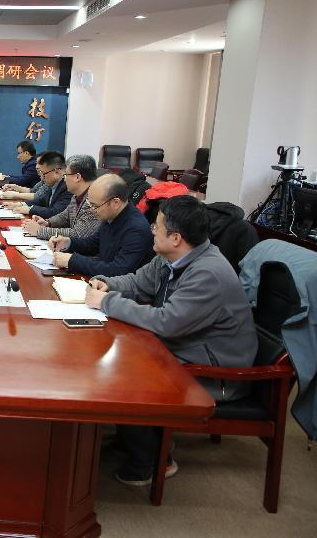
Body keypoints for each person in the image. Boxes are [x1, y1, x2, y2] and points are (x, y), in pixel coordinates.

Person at [85, 196, 258, 485]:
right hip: (185, 348)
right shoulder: (172, 257)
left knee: (125, 370)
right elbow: (137, 282)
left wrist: (107, 302)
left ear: (176, 238)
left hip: (215, 372)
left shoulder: (207, 273)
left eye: (157, 226)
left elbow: (166, 323)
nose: (151, 229)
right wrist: (107, 284)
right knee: (117, 352)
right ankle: (134, 436)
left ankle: (153, 460)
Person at [49, 173, 154, 277]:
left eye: (95, 206)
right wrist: (68, 243)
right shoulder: (112, 214)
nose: (91, 210)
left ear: (115, 203)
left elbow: (118, 270)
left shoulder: (137, 229)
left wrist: (72, 261)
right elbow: (93, 244)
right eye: (90, 204)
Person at [23, 154, 101, 240]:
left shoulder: (94, 201)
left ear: (77, 177)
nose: (64, 179)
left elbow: (77, 234)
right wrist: (48, 222)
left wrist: (41, 231)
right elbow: (65, 216)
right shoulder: (77, 195)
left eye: (66, 175)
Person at [2, 150, 71, 218]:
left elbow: (55, 212)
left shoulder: (68, 187)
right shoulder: (53, 183)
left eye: (43, 173)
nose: (41, 177)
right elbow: (41, 200)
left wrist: (30, 210)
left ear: (56, 172)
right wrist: (20, 204)